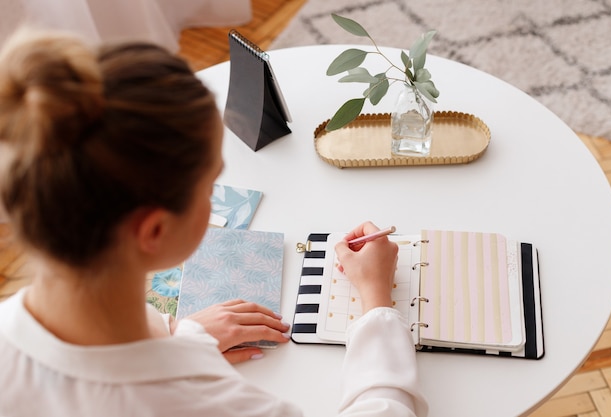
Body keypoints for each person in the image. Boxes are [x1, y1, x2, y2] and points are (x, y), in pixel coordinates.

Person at [0, 28, 428, 417]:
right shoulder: (207, 403)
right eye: (210, 185)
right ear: (153, 231)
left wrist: (183, 340)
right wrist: (377, 304)